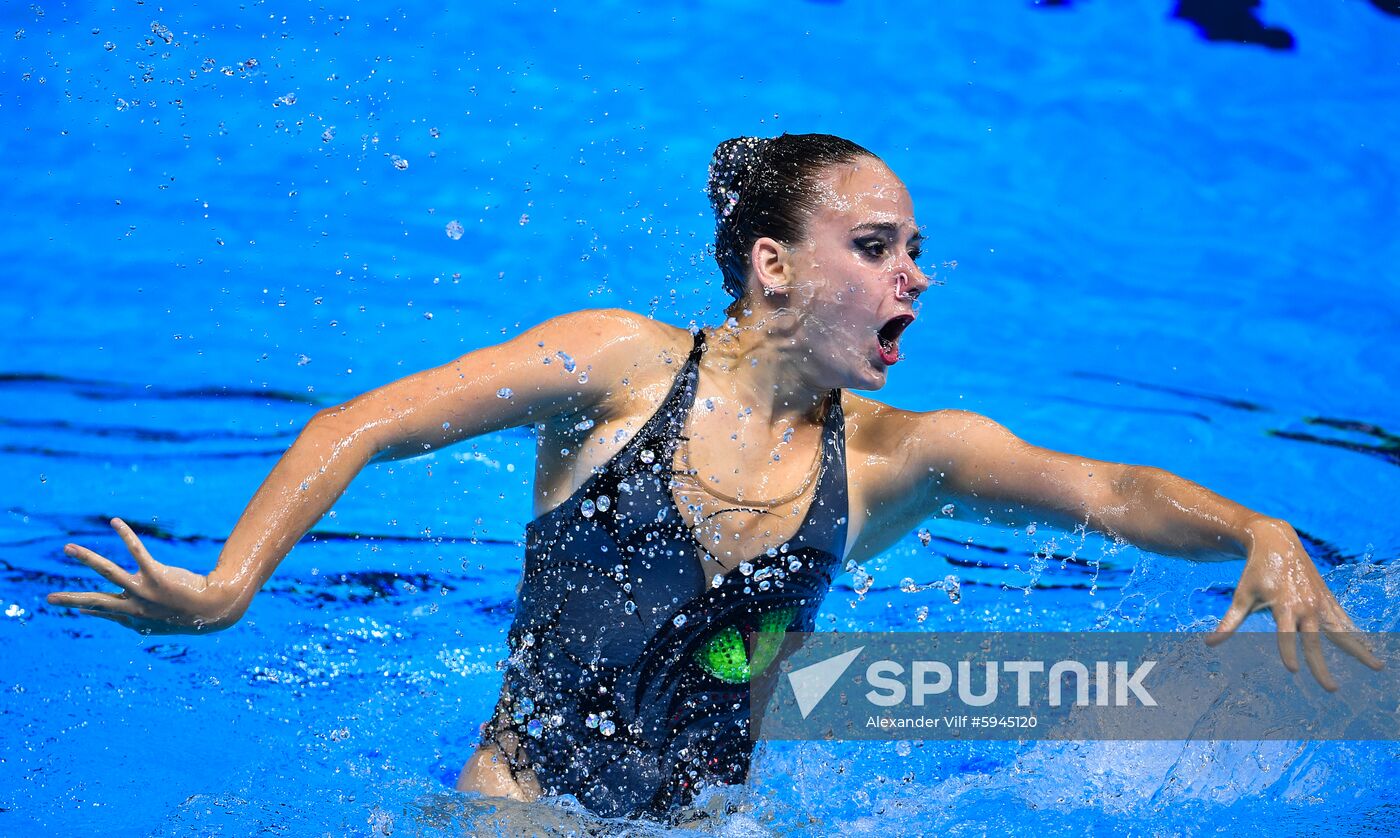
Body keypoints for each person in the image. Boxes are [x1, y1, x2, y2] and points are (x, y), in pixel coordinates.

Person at [47, 133, 1379, 821]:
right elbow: (365, 421)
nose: (913, 274)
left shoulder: (898, 456)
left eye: (918, 248)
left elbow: (1110, 491)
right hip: (522, 814)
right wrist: (230, 582)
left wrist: (1254, 525)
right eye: (876, 243)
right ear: (773, 267)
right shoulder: (623, 370)